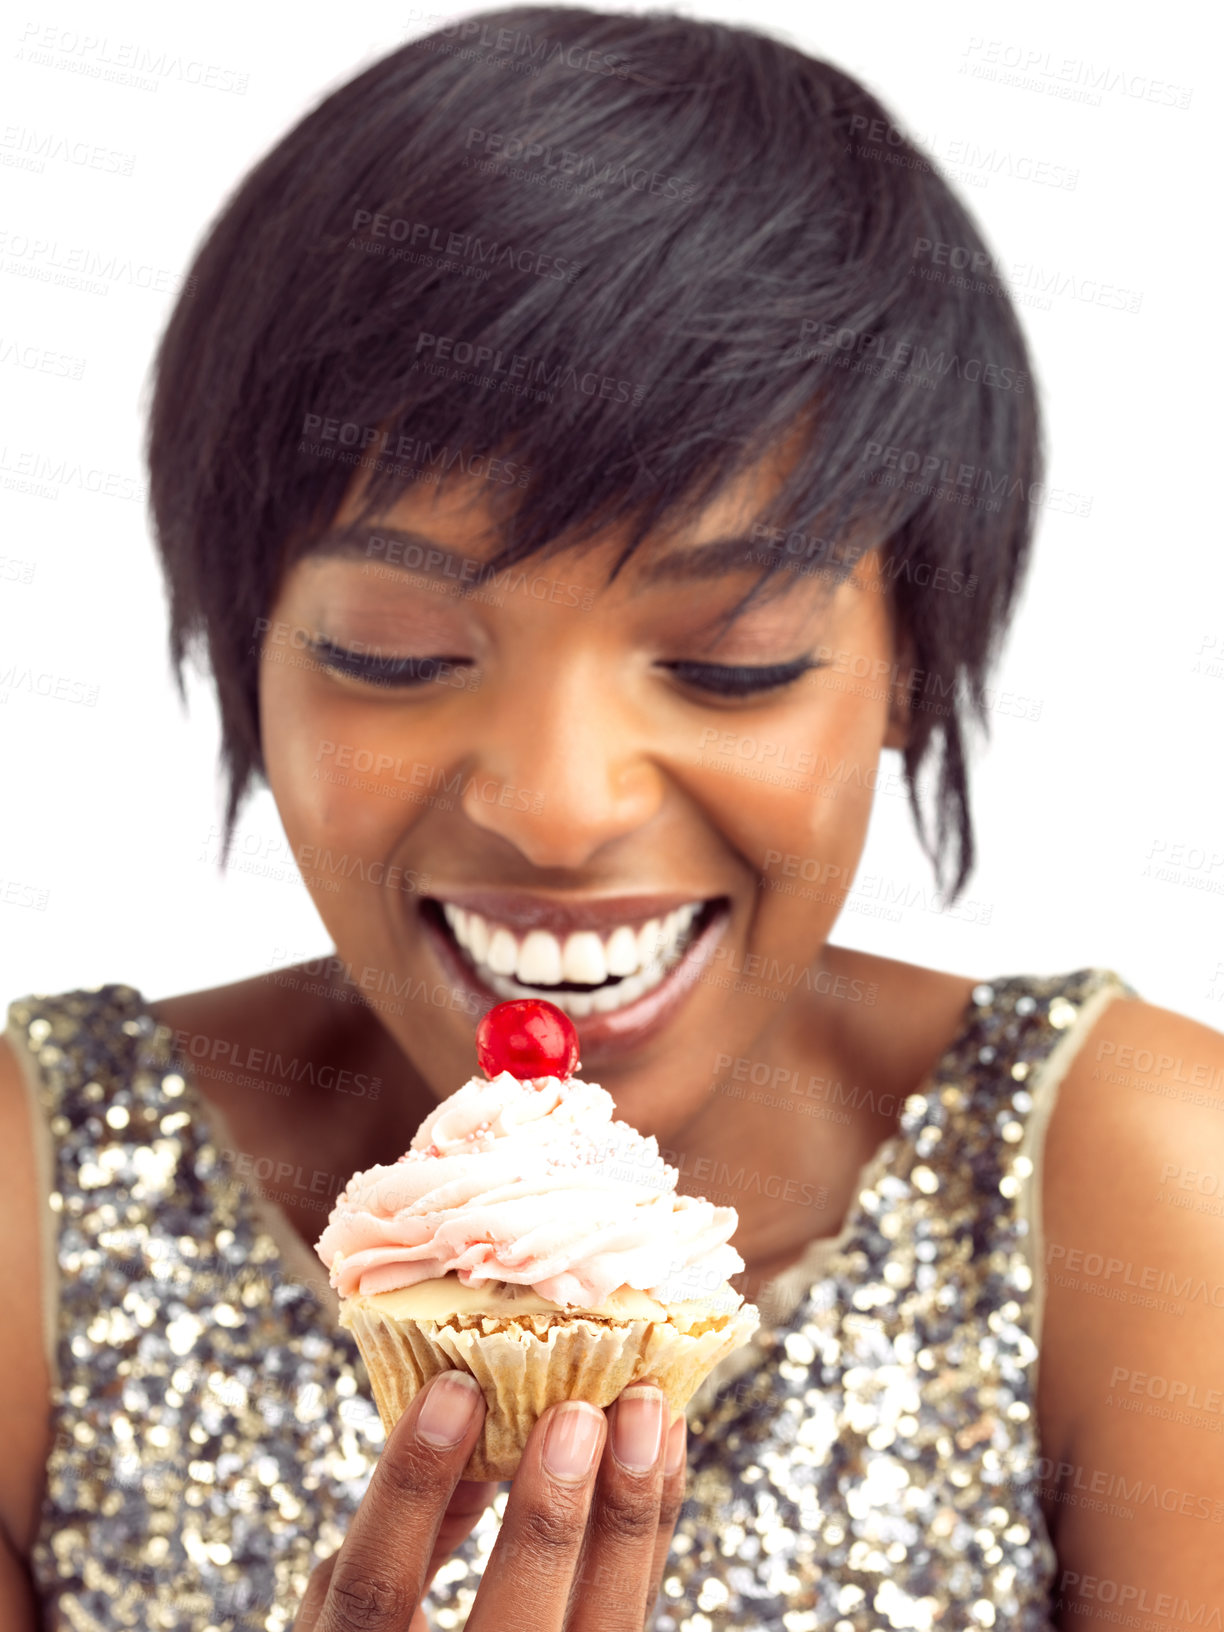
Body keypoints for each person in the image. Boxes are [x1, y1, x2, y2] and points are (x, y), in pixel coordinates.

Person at [2, 5, 1221, 1628]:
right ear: (246, 661)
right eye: (399, 652)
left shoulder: (1142, 1184)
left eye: (734, 660)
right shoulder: (38, 1196)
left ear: (914, 666)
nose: (561, 811)